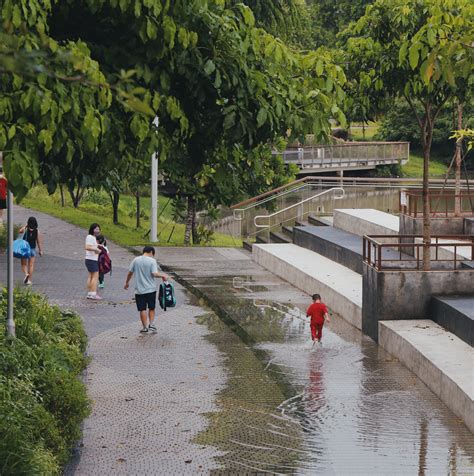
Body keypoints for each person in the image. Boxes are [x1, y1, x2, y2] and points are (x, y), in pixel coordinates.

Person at [124, 246, 168, 333]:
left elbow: (130, 273)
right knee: (151, 307)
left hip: (139, 290)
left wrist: (127, 282)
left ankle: (144, 327)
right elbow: (154, 274)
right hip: (151, 289)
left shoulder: (136, 260)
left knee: (142, 309)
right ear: (151, 252)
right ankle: (151, 324)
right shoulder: (152, 261)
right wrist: (163, 275)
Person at [19, 216, 43, 285]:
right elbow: (38, 241)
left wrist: (26, 225)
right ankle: (29, 280)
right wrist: (40, 250)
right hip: (32, 249)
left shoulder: (25, 229)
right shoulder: (37, 231)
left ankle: (26, 274)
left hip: (24, 249)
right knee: (31, 265)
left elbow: (20, 231)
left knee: (23, 264)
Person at [85, 223, 102, 300]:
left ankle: (90, 293)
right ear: (92, 229)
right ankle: (93, 293)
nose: (97, 231)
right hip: (91, 260)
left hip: (90, 259)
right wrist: (96, 249)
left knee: (91, 276)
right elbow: (87, 247)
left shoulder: (93, 238)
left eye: (98, 229)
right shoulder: (90, 237)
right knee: (95, 276)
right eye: (96, 229)